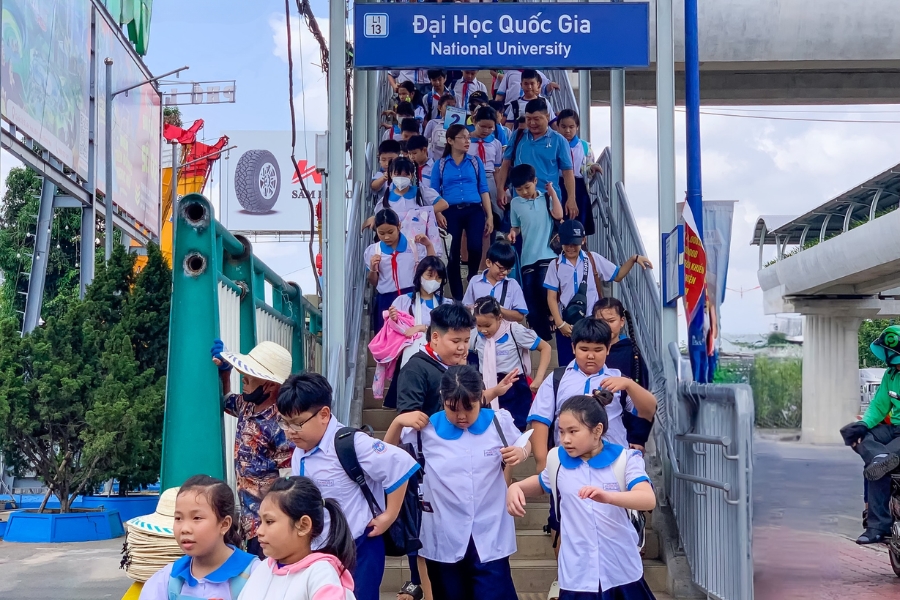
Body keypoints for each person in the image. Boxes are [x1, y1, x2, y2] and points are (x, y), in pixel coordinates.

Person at [384, 365, 529, 600]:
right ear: (443, 399)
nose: (461, 416)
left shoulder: (498, 422)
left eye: (469, 408)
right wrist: (398, 422)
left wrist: (521, 452)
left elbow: (524, 441)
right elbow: (386, 456)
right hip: (443, 532)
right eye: (453, 409)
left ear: (480, 398)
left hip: (490, 531)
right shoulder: (426, 429)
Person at [277, 374, 420, 600]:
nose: (290, 431)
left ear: (324, 414)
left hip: (358, 548)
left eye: (297, 423)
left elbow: (400, 466)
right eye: (284, 422)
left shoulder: (351, 443)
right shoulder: (300, 453)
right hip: (318, 550)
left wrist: (389, 516)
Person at [508, 395, 657, 600]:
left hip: (621, 572)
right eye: (561, 431)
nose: (565, 439)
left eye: (573, 431)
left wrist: (610, 497)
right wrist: (516, 488)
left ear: (597, 430)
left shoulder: (625, 459)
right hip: (577, 576)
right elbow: (542, 484)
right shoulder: (557, 461)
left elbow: (647, 498)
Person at [527, 319, 658, 472]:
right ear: (573, 348)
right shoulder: (557, 379)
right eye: (584, 349)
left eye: (598, 350)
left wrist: (630, 385)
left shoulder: (619, 379)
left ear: (608, 349)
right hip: (567, 463)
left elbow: (649, 410)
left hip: (613, 465)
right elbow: (540, 420)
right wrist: (542, 463)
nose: (591, 355)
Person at [211, 340, 295, 557]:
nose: (244, 379)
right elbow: (227, 401)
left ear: (270, 385)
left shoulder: (281, 425)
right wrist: (224, 373)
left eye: (249, 376)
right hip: (248, 524)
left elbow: (289, 480)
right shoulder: (247, 406)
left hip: (268, 526)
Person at [544, 220, 652, 366]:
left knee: (594, 363)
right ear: (559, 241)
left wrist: (634, 259)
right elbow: (551, 297)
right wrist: (560, 323)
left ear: (583, 240)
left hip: (592, 322)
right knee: (567, 366)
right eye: (567, 243)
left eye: (574, 244)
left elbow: (618, 275)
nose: (570, 248)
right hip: (568, 324)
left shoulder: (593, 259)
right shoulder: (555, 265)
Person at [139, 476, 260, 600]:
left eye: (197, 518)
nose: (185, 529)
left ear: (224, 524)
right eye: (178, 518)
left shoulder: (254, 575)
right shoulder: (168, 579)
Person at [239, 476, 357, 600]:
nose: (259, 531)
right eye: (260, 521)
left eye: (269, 521)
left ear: (303, 526)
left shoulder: (320, 574)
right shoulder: (263, 569)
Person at [840, 324, 900, 544]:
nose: (893, 362)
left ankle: (877, 526)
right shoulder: (891, 375)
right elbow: (879, 406)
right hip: (893, 428)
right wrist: (864, 424)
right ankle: (878, 456)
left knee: (877, 467)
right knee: (861, 437)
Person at [430, 124, 494, 300]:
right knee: (452, 252)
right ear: (450, 140)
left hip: (474, 209)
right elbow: (434, 192)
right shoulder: (441, 164)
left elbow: (483, 188)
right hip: (450, 211)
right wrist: (438, 213)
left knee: (475, 246)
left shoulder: (475, 161)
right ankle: (458, 296)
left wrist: (489, 215)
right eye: (462, 137)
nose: (467, 141)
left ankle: (472, 278)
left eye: (468, 137)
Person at [471, 296, 552, 430]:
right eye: (479, 325)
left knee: (515, 430)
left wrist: (538, 378)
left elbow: (545, 348)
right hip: (487, 386)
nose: (483, 330)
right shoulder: (475, 335)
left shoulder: (515, 331)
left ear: (499, 318)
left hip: (514, 387)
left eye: (487, 325)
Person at [508, 164, 564, 342]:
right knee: (530, 293)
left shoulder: (545, 198)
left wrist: (552, 193)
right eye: (519, 189)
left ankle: (551, 317)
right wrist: (512, 233)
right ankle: (541, 333)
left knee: (543, 286)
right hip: (527, 257)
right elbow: (515, 226)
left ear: (535, 181)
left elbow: (558, 214)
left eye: (527, 187)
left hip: (548, 254)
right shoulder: (515, 203)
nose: (523, 192)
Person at [496, 98, 576, 219]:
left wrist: (571, 198)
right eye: (529, 119)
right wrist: (500, 189)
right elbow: (506, 163)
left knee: (545, 237)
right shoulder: (518, 135)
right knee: (520, 236)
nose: (532, 123)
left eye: (536, 119)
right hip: (520, 200)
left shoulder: (559, 140)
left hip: (547, 200)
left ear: (547, 117)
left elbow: (568, 172)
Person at [593, 298, 653, 450]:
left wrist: (638, 438)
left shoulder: (631, 354)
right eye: (601, 321)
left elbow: (641, 398)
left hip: (623, 436)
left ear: (622, 321)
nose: (606, 326)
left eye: (611, 320)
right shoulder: (586, 351)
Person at [396, 302, 475, 417]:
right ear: (435, 337)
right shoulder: (415, 369)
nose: (462, 347)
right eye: (456, 341)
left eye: (466, 341)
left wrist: (464, 373)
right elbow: (409, 417)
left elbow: (478, 404)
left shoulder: (464, 365)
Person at [365, 208, 436, 334]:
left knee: (410, 334)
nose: (386, 237)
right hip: (386, 298)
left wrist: (429, 245)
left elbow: (432, 267)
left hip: (410, 296)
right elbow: (374, 282)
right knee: (386, 338)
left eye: (390, 232)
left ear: (399, 226)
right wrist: (372, 268)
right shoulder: (372, 251)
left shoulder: (413, 246)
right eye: (381, 233)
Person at [556, 109, 601, 236]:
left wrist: (592, 168)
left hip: (578, 186)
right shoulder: (554, 144)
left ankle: (578, 245)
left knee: (578, 220)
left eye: (571, 127)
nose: (567, 131)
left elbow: (587, 165)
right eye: (563, 127)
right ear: (557, 126)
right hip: (557, 184)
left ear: (577, 127)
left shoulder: (584, 146)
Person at [462, 241, 528, 323]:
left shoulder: (512, 284)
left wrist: (497, 308)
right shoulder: (475, 281)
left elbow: (520, 316)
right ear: (489, 263)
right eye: (501, 268)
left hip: (504, 333)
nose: (504, 272)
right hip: (479, 331)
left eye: (508, 269)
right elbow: (465, 309)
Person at [467, 106, 504, 225]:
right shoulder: (466, 141)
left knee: (494, 207)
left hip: (489, 177)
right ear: (474, 121)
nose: (486, 130)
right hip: (470, 177)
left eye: (490, 127)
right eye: (482, 126)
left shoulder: (496, 144)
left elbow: (497, 169)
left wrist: (499, 189)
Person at [494, 69, 558, 112]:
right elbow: (500, 94)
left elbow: (545, 89)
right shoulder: (510, 73)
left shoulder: (536, 74)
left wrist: (550, 86)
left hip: (533, 106)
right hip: (511, 106)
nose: (529, 87)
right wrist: (496, 107)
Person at [406, 135, 440, 207]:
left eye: (414, 153)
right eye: (409, 154)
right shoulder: (408, 169)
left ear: (424, 150)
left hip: (432, 205)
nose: (412, 157)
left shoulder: (435, 168)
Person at [423, 94, 457, 162]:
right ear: (440, 107)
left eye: (453, 106)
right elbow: (425, 141)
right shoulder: (432, 123)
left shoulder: (458, 126)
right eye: (447, 106)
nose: (450, 109)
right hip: (436, 160)